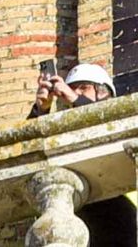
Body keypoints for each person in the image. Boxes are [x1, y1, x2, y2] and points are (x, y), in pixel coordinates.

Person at [27, 63, 133, 245]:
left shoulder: (117, 122)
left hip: (123, 211)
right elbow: (28, 150)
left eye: (84, 88)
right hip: (80, 216)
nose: (76, 93)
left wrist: (73, 97)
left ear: (104, 93)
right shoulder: (68, 133)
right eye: (73, 88)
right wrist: (41, 109)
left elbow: (102, 125)